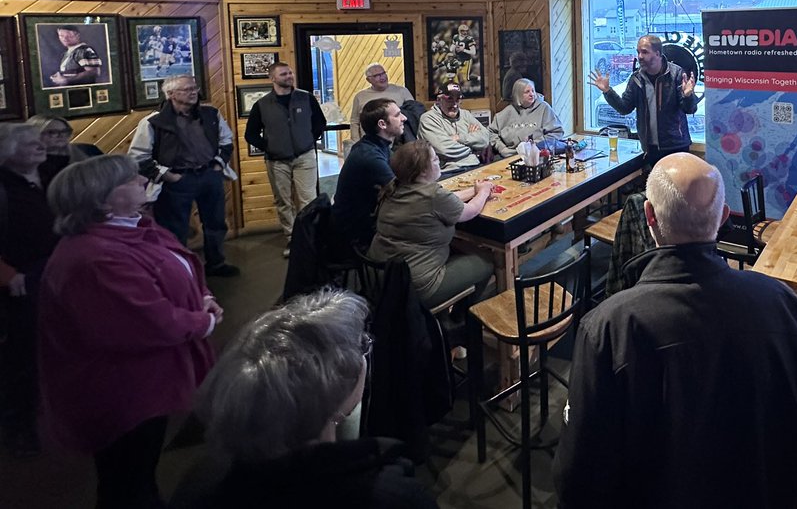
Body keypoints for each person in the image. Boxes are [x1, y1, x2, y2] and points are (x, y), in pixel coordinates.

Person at [553, 153, 797, 508]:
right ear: (723, 218)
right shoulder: (782, 302)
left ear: (649, 217)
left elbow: (579, 477)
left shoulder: (608, 327)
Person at [39, 155, 222, 509]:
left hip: (149, 381)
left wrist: (205, 295)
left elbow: (178, 264)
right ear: (101, 198)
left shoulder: (133, 227)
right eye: (130, 180)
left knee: (141, 469)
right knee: (127, 480)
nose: (141, 181)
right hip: (121, 390)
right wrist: (206, 322)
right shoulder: (94, 258)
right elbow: (148, 321)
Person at [169, 289, 437, 509]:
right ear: (332, 392)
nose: (364, 356)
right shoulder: (389, 495)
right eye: (362, 346)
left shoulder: (198, 483)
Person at [129, 74, 239, 277]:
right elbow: (138, 157)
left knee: (215, 223)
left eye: (194, 88)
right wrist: (168, 176)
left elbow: (226, 141)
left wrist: (218, 165)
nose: (193, 92)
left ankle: (216, 263)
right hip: (177, 180)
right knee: (174, 229)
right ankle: (178, 270)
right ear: (170, 94)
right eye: (186, 89)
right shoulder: (153, 122)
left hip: (209, 175)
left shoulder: (211, 114)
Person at [369, 141, 495, 310]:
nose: (439, 162)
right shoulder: (433, 195)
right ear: (422, 171)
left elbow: (446, 200)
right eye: (435, 160)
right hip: (417, 286)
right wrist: (484, 191)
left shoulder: (395, 186)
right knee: (487, 259)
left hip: (379, 278)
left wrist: (474, 190)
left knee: (460, 246)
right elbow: (470, 211)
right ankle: (462, 318)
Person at [0, 123, 57, 457]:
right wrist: (7, 274)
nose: (41, 146)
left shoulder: (49, 176)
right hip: (20, 281)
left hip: (55, 271)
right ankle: (17, 425)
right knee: (20, 355)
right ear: (7, 153)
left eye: (40, 142)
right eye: (30, 144)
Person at [245, 61, 327, 256]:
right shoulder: (262, 105)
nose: (289, 76)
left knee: (308, 200)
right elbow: (251, 134)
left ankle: (311, 238)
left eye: (290, 73)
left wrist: (308, 139)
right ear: (272, 78)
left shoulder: (306, 99)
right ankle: (292, 239)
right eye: (283, 74)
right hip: (277, 160)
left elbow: (319, 122)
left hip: (305, 156)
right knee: (283, 201)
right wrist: (270, 147)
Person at [587, 34, 698, 169]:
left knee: (678, 189)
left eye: (644, 52)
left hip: (676, 146)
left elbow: (690, 109)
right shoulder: (636, 79)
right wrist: (607, 91)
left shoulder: (676, 74)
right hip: (650, 148)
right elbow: (624, 108)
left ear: (657, 53)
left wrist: (688, 95)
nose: (640, 56)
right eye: (638, 52)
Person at [333, 99, 405, 249]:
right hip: (358, 234)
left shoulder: (374, 145)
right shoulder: (370, 156)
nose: (404, 118)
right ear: (382, 124)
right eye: (398, 115)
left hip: (364, 222)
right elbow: (404, 193)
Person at [417, 81, 488, 174]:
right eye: (449, 99)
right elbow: (444, 149)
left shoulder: (465, 114)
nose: (454, 104)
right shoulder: (428, 119)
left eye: (458, 99)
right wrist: (473, 147)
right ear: (439, 100)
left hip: (475, 166)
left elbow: (486, 139)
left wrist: (460, 138)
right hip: (447, 172)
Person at [489, 78, 565, 158]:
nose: (531, 94)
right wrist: (502, 148)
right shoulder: (507, 112)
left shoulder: (544, 108)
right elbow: (491, 133)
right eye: (527, 92)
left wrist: (537, 144)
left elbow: (557, 132)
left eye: (533, 90)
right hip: (510, 156)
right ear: (518, 94)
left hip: (539, 155)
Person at [347, 64, 414, 144]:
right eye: (377, 76)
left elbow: (413, 114)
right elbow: (355, 121)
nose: (382, 77)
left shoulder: (402, 91)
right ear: (368, 80)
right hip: (371, 143)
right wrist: (356, 141)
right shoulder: (360, 96)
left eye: (383, 73)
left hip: (400, 142)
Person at [27, 113, 102, 183]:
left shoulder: (87, 150)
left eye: (65, 131)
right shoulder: (29, 163)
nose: (61, 135)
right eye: (52, 132)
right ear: (35, 134)